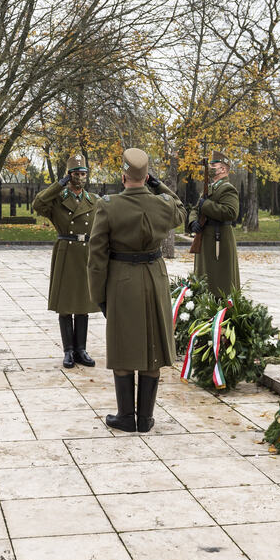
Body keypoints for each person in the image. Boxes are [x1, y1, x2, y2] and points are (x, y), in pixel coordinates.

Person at [88, 148, 186, 432]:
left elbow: (97, 257)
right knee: (151, 344)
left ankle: (126, 417)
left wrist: (99, 296)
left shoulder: (108, 205)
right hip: (154, 278)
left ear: (123, 176)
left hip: (122, 280)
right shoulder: (163, 204)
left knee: (123, 345)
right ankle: (145, 418)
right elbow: (180, 208)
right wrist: (159, 186)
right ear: (145, 177)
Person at [32, 155, 100, 368]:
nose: (81, 177)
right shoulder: (57, 200)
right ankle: (68, 350)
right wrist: (58, 184)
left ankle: (81, 349)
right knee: (65, 304)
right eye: (77, 174)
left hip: (86, 253)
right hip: (66, 251)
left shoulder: (93, 200)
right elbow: (37, 203)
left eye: (84, 173)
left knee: (83, 304)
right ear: (69, 176)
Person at [188, 151, 240, 297]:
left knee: (220, 281)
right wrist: (193, 222)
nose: (210, 167)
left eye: (213, 164)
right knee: (204, 277)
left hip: (219, 240)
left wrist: (206, 205)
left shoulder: (227, 188)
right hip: (206, 238)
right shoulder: (211, 187)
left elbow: (231, 212)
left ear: (223, 169)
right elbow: (195, 208)